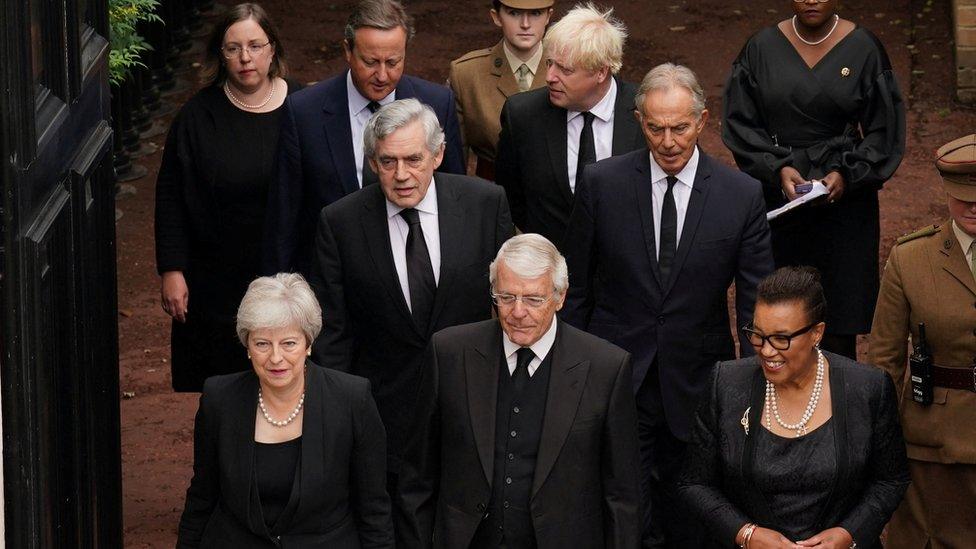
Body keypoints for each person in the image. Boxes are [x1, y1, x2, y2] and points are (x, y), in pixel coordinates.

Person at [560, 63, 774, 546]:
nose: (669, 140)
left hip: (699, 381)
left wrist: (754, 387)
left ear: (702, 122)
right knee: (623, 510)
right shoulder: (602, 184)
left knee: (693, 510)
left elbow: (755, 301)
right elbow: (574, 288)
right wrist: (569, 371)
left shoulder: (741, 196)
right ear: (639, 121)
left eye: (680, 127)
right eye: (656, 128)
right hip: (617, 376)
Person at [307, 98, 514, 504]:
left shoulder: (485, 204)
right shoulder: (340, 222)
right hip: (384, 416)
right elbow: (333, 330)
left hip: (472, 406)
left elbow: (510, 306)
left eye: (413, 159)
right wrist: (345, 415)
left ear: (438, 155)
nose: (401, 175)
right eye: (388, 162)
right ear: (371, 162)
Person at [397, 233, 640, 549]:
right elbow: (417, 478)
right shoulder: (450, 353)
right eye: (506, 297)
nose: (518, 312)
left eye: (533, 299)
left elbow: (622, 498)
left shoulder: (607, 367)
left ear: (560, 297)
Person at [722, 0, 905, 359]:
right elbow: (740, 122)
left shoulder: (865, 48)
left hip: (845, 208)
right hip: (780, 204)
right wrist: (776, 168)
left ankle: (838, 409)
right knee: (779, 322)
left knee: (838, 328)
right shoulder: (760, 48)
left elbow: (885, 131)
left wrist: (846, 175)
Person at [678, 266, 909, 549]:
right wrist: (747, 534)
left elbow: (891, 480)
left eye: (781, 338)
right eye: (758, 335)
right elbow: (695, 483)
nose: (766, 350)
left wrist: (849, 534)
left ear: (816, 333)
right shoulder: (726, 384)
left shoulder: (867, 389)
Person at [176, 273, 393, 548]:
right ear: (247, 347)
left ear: (308, 344)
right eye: (262, 344)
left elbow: (374, 511)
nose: (276, 358)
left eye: (289, 343)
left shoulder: (351, 400)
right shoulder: (219, 400)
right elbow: (201, 499)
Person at [155, 3, 303, 392]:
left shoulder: (304, 109)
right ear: (220, 56)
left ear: (273, 49)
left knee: (289, 382)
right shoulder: (197, 117)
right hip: (216, 280)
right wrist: (172, 269)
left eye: (255, 45)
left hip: (292, 273)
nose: (245, 58)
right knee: (223, 391)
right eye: (233, 48)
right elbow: (171, 195)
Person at [264, 0, 465, 275]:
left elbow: (454, 195)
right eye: (370, 62)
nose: (383, 75)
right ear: (347, 50)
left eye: (394, 62)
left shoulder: (437, 103)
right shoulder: (303, 112)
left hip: (414, 271)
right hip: (333, 276)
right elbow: (284, 215)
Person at [869, 134, 976, 548]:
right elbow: (884, 360)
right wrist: (882, 447)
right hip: (932, 448)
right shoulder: (911, 259)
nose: (972, 205)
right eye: (962, 194)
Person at [494, 2, 644, 248]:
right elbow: (510, 195)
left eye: (564, 69)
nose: (550, 77)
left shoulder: (645, 112)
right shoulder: (523, 115)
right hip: (553, 270)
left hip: (625, 271)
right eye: (549, 63)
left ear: (600, 72)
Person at [448, 0, 554, 180]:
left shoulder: (568, 69)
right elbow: (455, 161)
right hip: (492, 191)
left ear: (548, 16)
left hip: (555, 198)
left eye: (535, 13)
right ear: (496, 17)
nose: (525, 24)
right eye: (514, 13)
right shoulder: (467, 74)